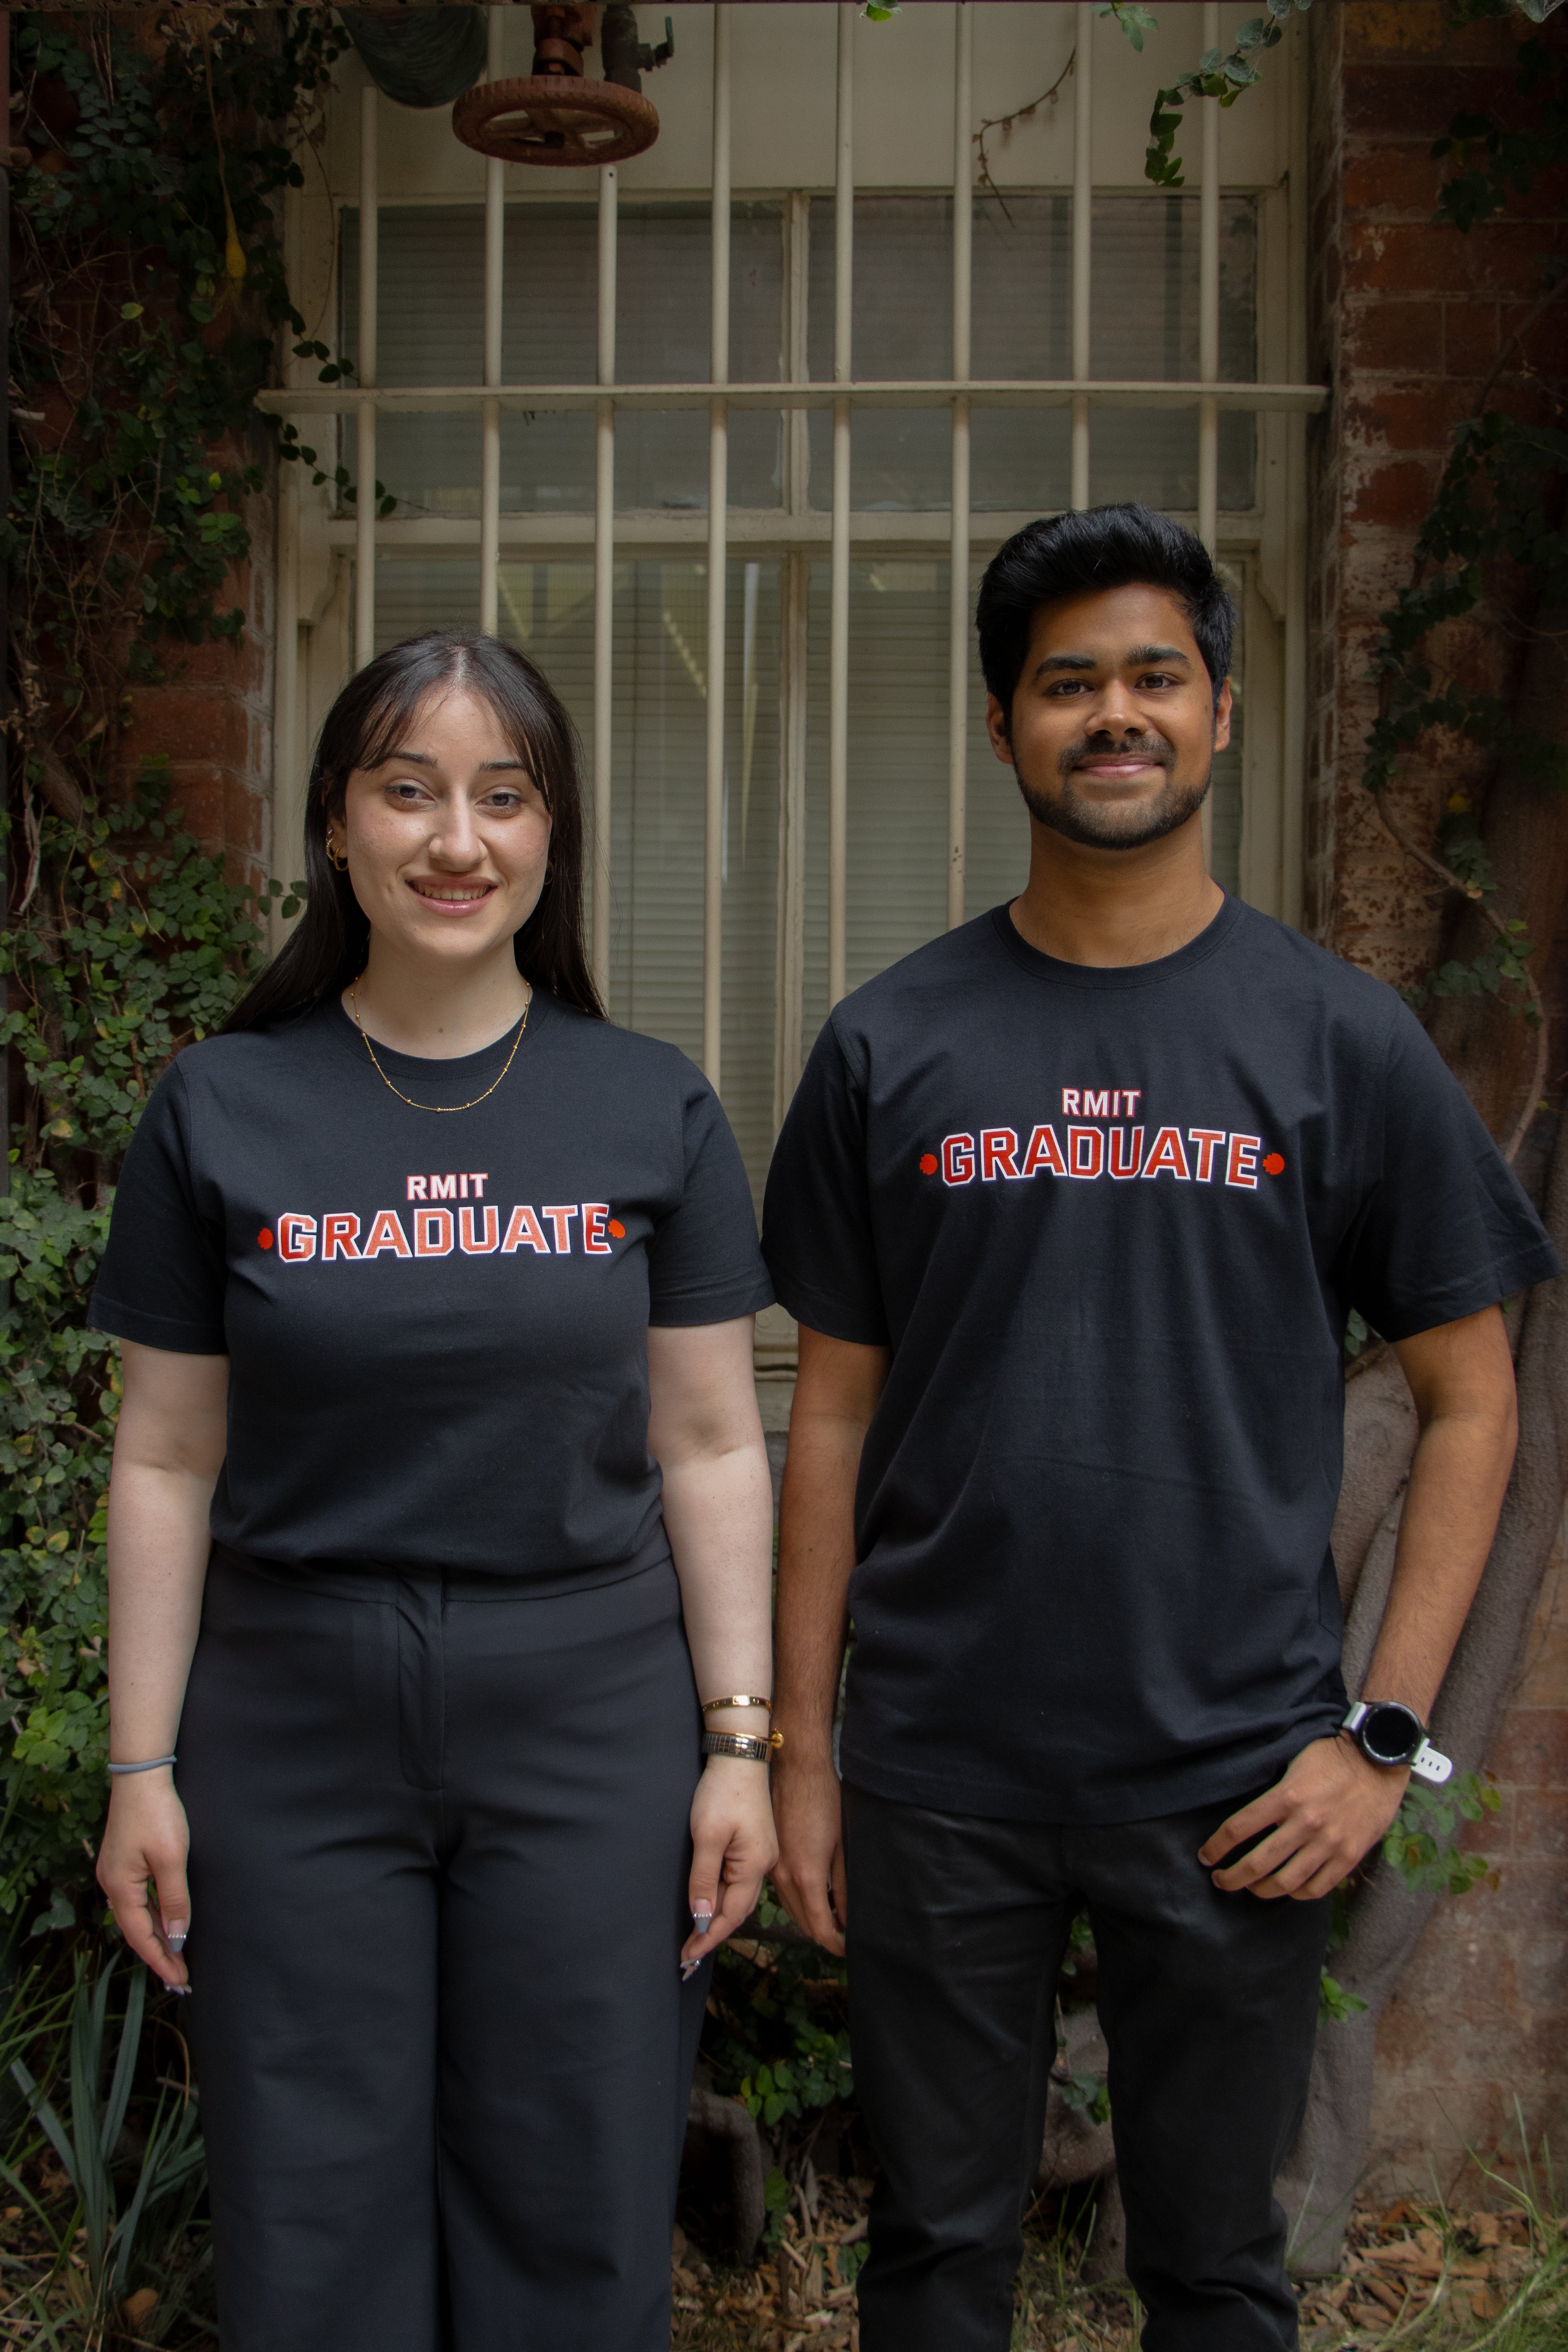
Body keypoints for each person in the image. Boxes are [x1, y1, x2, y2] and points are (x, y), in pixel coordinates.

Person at [760, 505, 1558, 2352]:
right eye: (1066, 684)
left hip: (1234, 1775)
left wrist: (1383, 1737)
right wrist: (805, 1753)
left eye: (1151, 677)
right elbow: (829, 1421)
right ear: (1002, 727)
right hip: (938, 1763)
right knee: (933, 2255)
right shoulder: (889, 1043)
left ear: (1218, 712)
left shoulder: (1336, 1037)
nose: (1111, 713)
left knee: (1212, 2272)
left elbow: (1473, 1401)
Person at [91, 631, 779, 2352]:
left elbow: (709, 1440)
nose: (455, 839)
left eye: (502, 796)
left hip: (586, 1709)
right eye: (408, 791)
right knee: (309, 2205)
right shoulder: (224, 1104)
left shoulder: (649, 1104)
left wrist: (738, 1743)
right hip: (292, 1711)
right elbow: (166, 1455)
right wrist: (141, 1767)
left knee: (578, 2192)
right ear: (337, 823)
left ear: (552, 834)